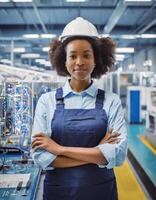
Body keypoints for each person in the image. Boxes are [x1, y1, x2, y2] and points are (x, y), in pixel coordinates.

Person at [31, 17, 127, 200]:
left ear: (96, 59)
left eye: (86, 55)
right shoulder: (46, 101)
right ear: (63, 60)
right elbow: (41, 157)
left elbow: (118, 155)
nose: (80, 62)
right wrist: (98, 151)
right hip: (59, 194)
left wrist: (58, 149)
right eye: (73, 55)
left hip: (101, 193)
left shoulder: (111, 101)